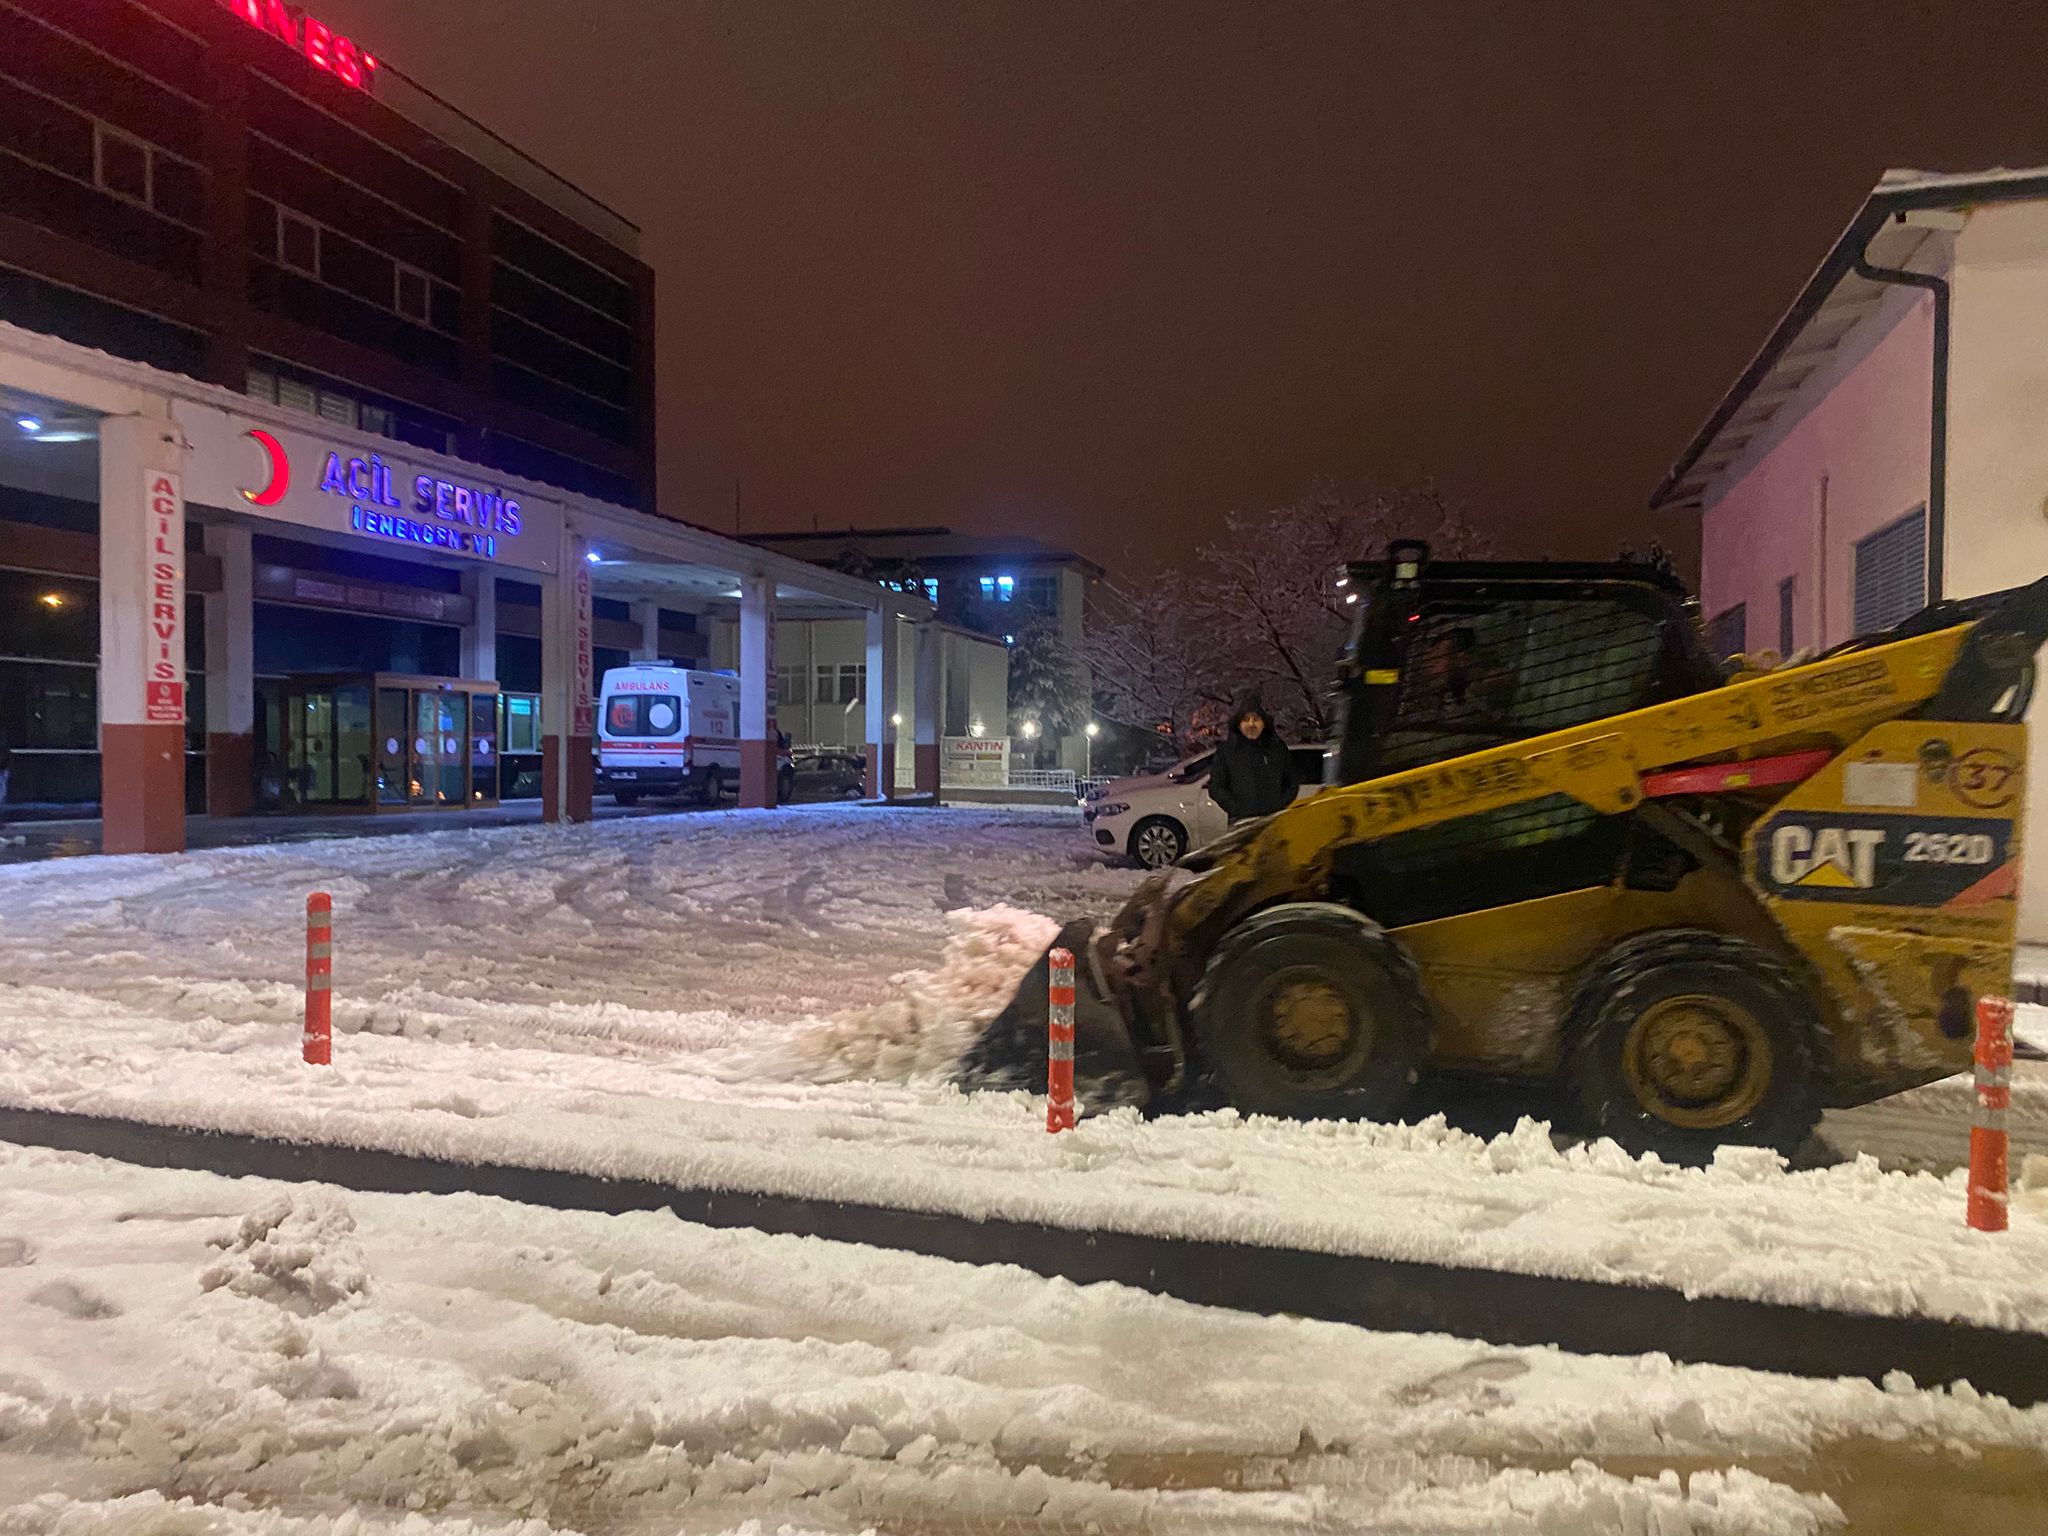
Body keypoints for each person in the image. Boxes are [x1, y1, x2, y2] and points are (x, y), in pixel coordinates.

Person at [1207, 693, 1299, 823]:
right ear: (1239, 725)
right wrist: (1236, 809)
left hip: (1273, 822)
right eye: (1245, 720)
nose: (1251, 724)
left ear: (1264, 723)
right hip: (1241, 824)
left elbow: (1292, 781)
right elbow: (1216, 787)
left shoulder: (1277, 749)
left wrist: (1279, 806)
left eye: (1256, 719)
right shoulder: (1227, 752)